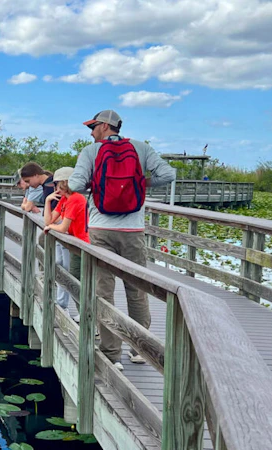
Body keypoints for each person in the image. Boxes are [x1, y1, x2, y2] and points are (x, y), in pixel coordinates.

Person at [68, 109, 176, 371]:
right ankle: (141, 351)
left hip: (101, 229)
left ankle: (112, 354)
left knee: (103, 291)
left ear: (105, 126)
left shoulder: (90, 152)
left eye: (93, 127)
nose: (91, 132)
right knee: (137, 289)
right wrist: (138, 184)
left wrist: (98, 186)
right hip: (133, 231)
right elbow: (168, 175)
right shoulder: (142, 148)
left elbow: (74, 184)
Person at [43, 167, 88, 322]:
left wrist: (50, 228)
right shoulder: (64, 199)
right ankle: (76, 311)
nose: (55, 188)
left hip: (81, 245)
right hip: (72, 244)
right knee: (67, 275)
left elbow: (62, 227)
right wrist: (48, 201)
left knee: (74, 280)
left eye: (56, 184)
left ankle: (87, 317)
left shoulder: (76, 199)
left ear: (64, 183)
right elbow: (48, 220)